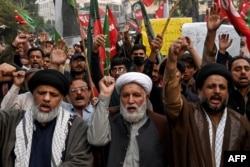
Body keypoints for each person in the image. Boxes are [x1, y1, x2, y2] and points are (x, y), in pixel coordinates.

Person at [163, 36, 250, 167]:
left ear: (228, 92)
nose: (217, 91)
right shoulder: (187, 114)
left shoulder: (239, 122)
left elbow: (243, 158)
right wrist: (171, 61)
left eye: (222, 87)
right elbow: (171, 99)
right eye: (211, 86)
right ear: (199, 91)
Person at [0, 69, 93, 166]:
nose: (46, 99)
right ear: (32, 95)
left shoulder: (76, 126)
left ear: (61, 99)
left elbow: (81, 162)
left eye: (53, 95)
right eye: (41, 93)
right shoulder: (12, 120)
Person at [88, 72, 168, 167]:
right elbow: (96, 141)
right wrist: (105, 95)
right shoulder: (110, 119)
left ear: (146, 98)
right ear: (120, 98)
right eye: (125, 95)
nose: (130, 101)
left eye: (136, 95)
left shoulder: (160, 123)